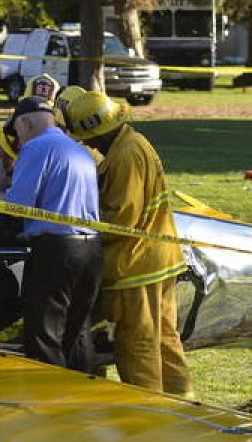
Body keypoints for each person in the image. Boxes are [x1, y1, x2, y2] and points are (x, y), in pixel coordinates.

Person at [64, 90, 191, 395]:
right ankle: (183, 405)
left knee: (137, 345)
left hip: (135, 268)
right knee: (165, 340)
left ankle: (149, 413)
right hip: (160, 260)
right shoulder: (136, 142)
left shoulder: (124, 157)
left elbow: (122, 219)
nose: (88, 143)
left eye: (90, 136)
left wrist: (78, 229)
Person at [0, 96, 102, 372]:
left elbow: (18, 206)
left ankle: (50, 406)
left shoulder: (37, 148)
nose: (19, 143)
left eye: (18, 135)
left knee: (43, 335)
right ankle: (84, 400)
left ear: (24, 123)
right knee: (78, 334)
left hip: (57, 251)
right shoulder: (79, 150)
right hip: (92, 249)